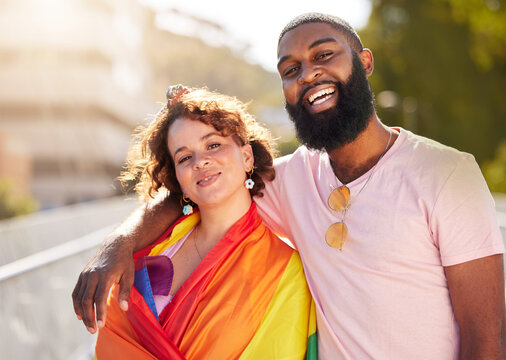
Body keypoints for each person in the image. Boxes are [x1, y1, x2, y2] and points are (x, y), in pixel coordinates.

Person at [73, 13, 505, 359]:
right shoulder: (293, 177)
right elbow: (199, 186)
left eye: (324, 55)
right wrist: (118, 247)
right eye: (291, 69)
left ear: (364, 61)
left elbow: (487, 337)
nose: (309, 74)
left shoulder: (448, 174)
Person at [91, 85, 316, 359]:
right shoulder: (150, 248)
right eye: (185, 157)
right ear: (179, 181)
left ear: (246, 157)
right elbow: (115, 336)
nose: (200, 161)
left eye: (213, 145)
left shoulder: (285, 270)